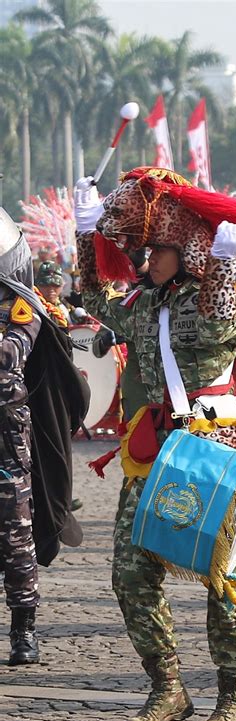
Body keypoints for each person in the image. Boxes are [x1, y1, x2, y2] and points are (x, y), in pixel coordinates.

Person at [74, 166, 236, 721]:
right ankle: (167, 688)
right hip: (154, 450)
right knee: (129, 575)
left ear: (187, 251)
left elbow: (220, 321)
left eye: (156, 250)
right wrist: (86, 237)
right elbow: (92, 298)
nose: (144, 261)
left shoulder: (214, 300)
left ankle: (232, 698)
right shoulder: (143, 303)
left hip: (215, 450)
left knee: (224, 575)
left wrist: (225, 262)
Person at [0, 210, 42, 665]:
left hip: (5, 439)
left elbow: (11, 353)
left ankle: (23, 630)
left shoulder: (19, 306)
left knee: (15, 535)